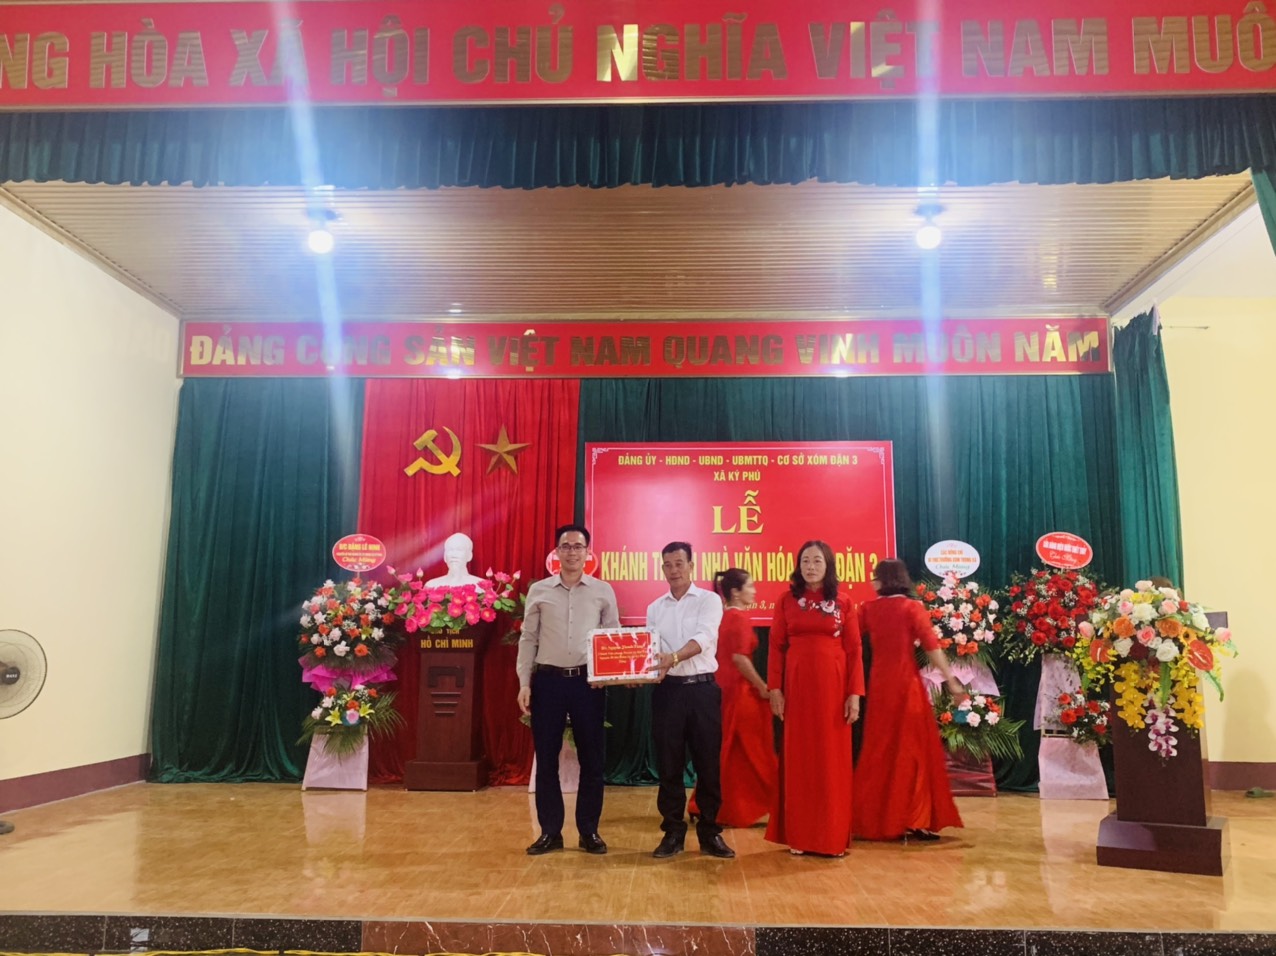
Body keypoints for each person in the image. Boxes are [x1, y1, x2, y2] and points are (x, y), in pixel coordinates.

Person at [516, 524, 619, 856]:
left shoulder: (602, 591)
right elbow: (528, 639)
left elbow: (612, 637)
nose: (572, 552)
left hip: (588, 683)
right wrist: (524, 683)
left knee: (592, 759)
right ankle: (550, 832)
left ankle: (589, 831)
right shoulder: (540, 590)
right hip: (548, 682)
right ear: (557, 552)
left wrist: (608, 676)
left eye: (578, 546)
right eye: (566, 546)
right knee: (547, 759)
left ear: (588, 552)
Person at [853, 558, 965, 842]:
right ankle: (916, 818)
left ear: (882, 579)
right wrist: (951, 681)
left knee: (880, 750)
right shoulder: (912, 608)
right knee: (913, 750)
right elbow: (931, 647)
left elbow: (848, 640)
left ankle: (877, 817)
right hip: (906, 687)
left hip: (880, 688)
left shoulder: (867, 609)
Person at [765, 539, 863, 857]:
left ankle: (831, 838)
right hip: (797, 690)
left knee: (832, 762)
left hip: (834, 691)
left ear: (828, 565)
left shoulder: (844, 602)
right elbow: (775, 647)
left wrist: (854, 695)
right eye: (805, 560)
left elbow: (854, 651)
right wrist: (775, 690)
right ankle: (801, 836)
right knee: (800, 761)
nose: (810, 566)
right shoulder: (786, 601)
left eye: (817, 561)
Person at [645, 542, 735, 859]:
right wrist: (638, 672)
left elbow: (704, 638)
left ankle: (710, 833)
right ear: (662, 568)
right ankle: (672, 832)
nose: (674, 570)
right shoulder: (655, 608)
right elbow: (649, 650)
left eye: (679, 563)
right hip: (668, 691)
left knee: (708, 764)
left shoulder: (709, 600)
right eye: (668, 565)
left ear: (691, 565)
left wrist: (672, 657)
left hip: (702, 690)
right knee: (668, 765)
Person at [689, 569, 777, 828]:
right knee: (750, 751)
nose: (755, 591)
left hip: (723, 688)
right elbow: (739, 658)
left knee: (729, 750)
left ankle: (710, 804)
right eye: (750, 586)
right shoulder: (738, 618)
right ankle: (742, 804)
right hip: (739, 692)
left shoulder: (723, 617)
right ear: (736, 592)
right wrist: (762, 686)